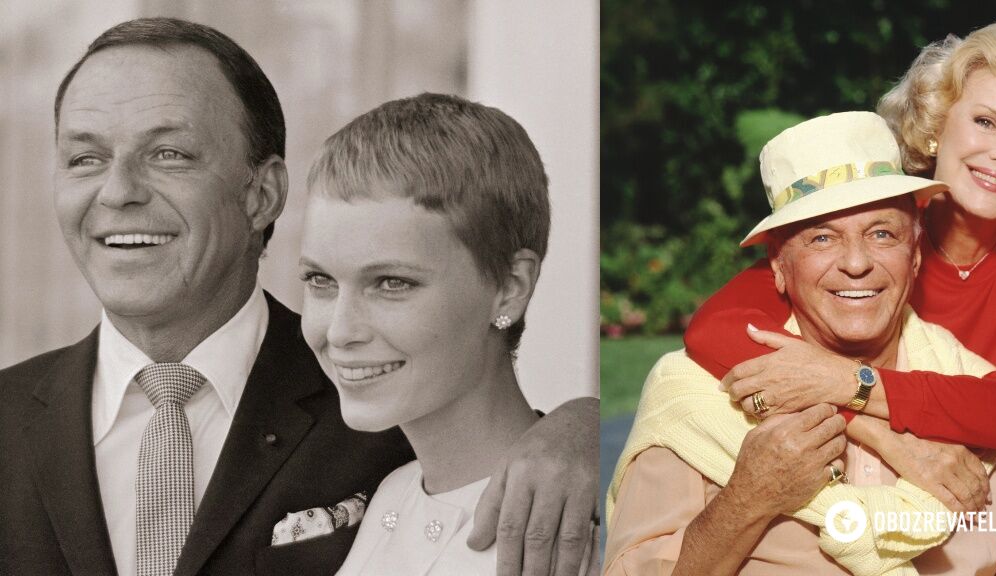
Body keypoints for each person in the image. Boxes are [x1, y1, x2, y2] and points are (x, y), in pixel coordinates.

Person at [0, 17, 597, 576]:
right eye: (85, 158)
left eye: (170, 154)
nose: (118, 191)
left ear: (261, 193)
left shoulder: (381, 402)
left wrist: (598, 435)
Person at [605, 112, 996, 575]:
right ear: (778, 265)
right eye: (822, 239)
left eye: (882, 234)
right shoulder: (691, 394)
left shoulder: (972, 400)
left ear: (915, 254)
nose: (856, 263)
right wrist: (748, 499)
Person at [684, 22, 996, 516]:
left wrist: (848, 382)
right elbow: (717, 328)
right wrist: (878, 429)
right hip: (873, 506)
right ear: (936, 126)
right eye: (986, 122)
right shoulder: (881, 224)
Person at [297, 93, 590, 575]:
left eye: (392, 283)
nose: (340, 331)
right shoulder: (391, 490)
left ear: (509, 288)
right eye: (320, 280)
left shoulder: (571, 534)